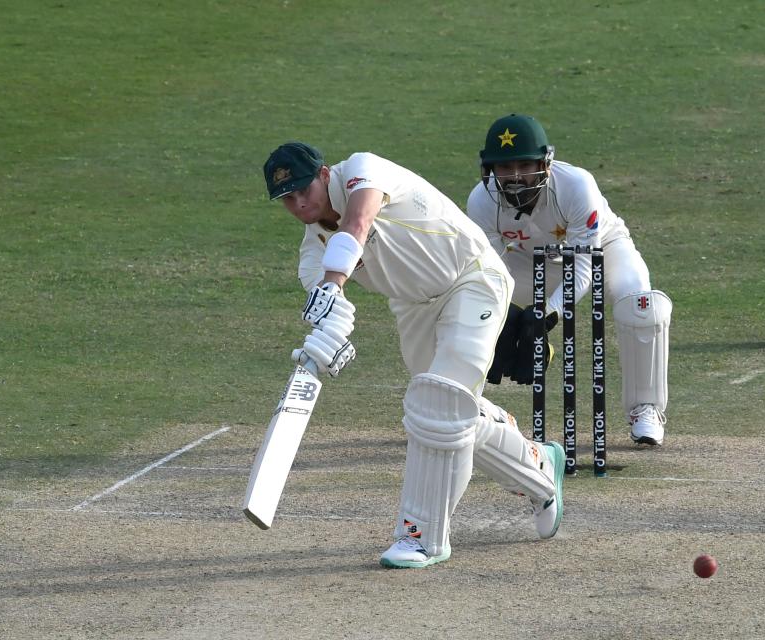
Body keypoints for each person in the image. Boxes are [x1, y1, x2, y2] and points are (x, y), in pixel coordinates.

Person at [262, 141, 565, 569]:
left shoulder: (362, 171)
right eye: (286, 199)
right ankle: (539, 468)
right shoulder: (313, 256)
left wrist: (332, 283)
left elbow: (358, 221)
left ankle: (421, 536)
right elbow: (335, 315)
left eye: (302, 189)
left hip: (471, 278)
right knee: (448, 411)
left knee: (441, 402)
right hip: (413, 308)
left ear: (325, 173)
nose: (297, 203)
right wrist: (327, 341)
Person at [466, 114, 673, 446]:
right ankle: (463, 405)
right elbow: (488, 270)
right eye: (505, 167)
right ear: (490, 169)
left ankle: (645, 408)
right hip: (526, 260)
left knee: (641, 306)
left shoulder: (576, 185)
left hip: (602, 250)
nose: (516, 176)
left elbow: (583, 267)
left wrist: (545, 316)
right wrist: (500, 316)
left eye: (525, 164)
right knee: (460, 299)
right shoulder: (481, 200)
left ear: (545, 163)